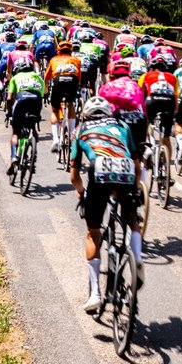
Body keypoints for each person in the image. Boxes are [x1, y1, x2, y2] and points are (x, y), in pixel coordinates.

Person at [70, 95, 143, 313]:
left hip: (99, 169)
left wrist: (81, 193)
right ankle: (137, 257)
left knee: (93, 233)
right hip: (126, 169)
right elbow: (137, 164)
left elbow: (74, 174)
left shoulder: (81, 129)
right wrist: (136, 190)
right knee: (131, 219)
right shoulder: (122, 125)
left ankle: (95, 294)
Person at [6, 60, 45, 175]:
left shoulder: (16, 77)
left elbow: (9, 98)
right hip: (36, 101)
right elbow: (42, 95)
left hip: (21, 100)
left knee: (16, 132)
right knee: (32, 126)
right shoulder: (38, 77)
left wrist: (9, 113)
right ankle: (33, 153)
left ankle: (14, 156)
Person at [44, 40, 82, 152]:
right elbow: (79, 78)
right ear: (71, 51)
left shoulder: (54, 60)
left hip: (58, 81)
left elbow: (46, 78)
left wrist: (45, 91)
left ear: (58, 50)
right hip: (72, 81)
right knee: (70, 104)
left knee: (55, 110)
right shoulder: (76, 60)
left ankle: (56, 139)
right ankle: (71, 135)